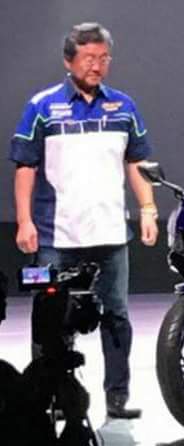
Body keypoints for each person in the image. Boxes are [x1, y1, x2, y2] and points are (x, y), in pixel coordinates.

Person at [9, 22, 158, 419]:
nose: (97, 65)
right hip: (56, 236)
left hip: (110, 235)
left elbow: (137, 162)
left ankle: (117, 396)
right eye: (89, 58)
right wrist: (24, 221)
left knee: (116, 316)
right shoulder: (42, 107)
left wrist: (147, 208)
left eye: (104, 58)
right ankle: (51, 395)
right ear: (68, 61)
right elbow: (25, 167)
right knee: (50, 319)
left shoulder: (123, 107)